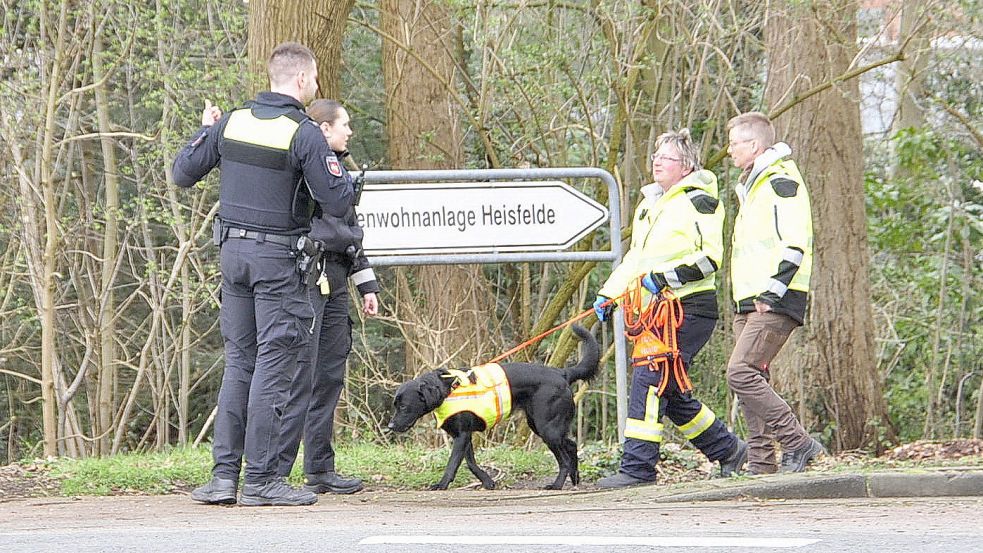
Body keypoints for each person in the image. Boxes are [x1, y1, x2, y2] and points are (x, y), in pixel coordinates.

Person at [173, 42, 353, 506]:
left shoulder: (232, 121)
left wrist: (204, 131)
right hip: (278, 265)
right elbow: (338, 203)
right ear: (300, 81)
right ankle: (262, 480)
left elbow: (183, 172)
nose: (315, 86)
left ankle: (222, 479)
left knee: (240, 363)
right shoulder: (304, 133)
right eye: (313, 79)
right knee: (276, 365)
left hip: (232, 257)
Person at [592, 129, 748, 488]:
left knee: (650, 380)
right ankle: (729, 451)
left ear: (686, 165)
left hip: (689, 309)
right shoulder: (650, 205)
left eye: (666, 158)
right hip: (657, 311)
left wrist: (663, 279)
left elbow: (710, 259)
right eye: (655, 156)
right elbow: (637, 259)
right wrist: (609, 294)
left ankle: (637, 469)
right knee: (672, 393)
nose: (657, 162)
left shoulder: (700, 202)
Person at [276, 99, 380, 494]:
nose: (349, 132)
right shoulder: (306, 173)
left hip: (336, 283)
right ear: (323, 129)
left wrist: (366, 285)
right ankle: (275, 473)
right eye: (344, 125)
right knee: (298, 376)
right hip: (307, 282)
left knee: (330, 374)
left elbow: (351, 236)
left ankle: (319, 469)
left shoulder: (338, 177)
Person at [724, 111, 824, 474]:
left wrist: (773, 290)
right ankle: (762, 462)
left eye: (734, 143)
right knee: (753, 378)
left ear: (754, 145)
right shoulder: (753, 185)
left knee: (740, 372)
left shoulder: (781, 181)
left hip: (774, 297)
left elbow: (795, 242)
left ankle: (798, 442)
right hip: (749, 299)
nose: (729, 150)